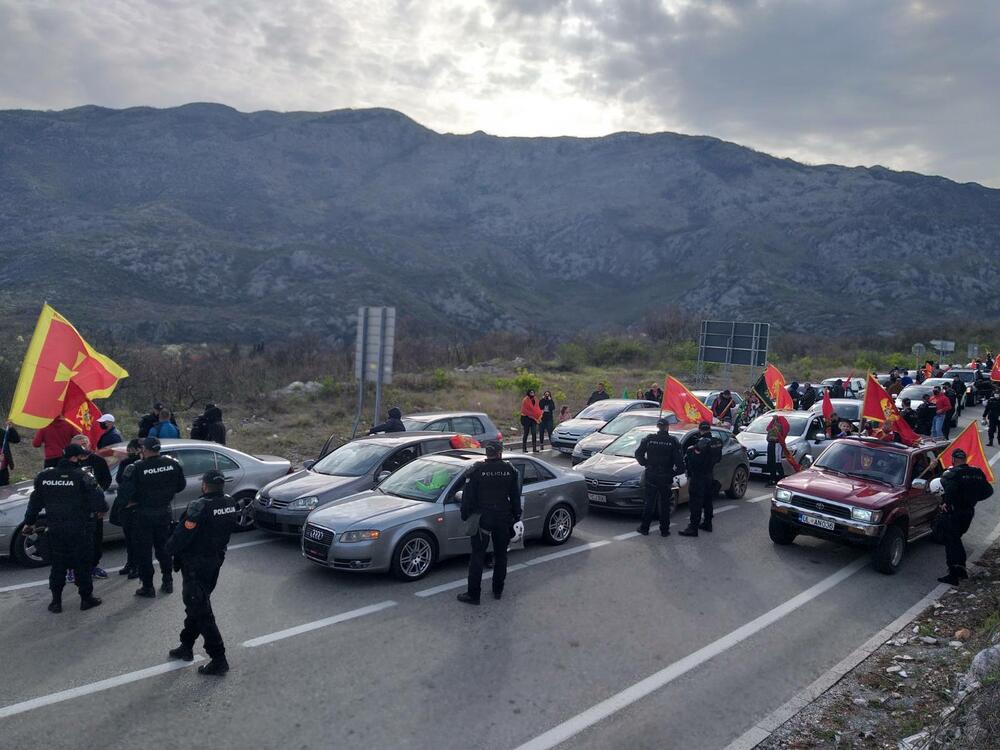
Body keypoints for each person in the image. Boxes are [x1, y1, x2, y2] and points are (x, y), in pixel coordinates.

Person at [165, 469, 241, 675]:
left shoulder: (199, 506)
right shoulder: (229, 502)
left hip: (195, 565)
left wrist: (168, 550)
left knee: (201, 611)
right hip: (214, 562)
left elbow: (182, 536)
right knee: (197, 606)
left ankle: (219, 658)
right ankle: (186, 645)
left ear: (205, 485)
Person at [21, 445, 106, 613]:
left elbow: (35, 503)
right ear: (77, 458)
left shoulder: (45, 476)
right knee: (82, 565)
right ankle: (86, 599)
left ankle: (56, 602)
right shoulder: (83, 476)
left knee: (58, 566)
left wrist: (29, 522)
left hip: (55, 529)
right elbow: (100, 503)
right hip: (79, 529)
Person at [120, 437, 187, 597]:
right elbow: (181, 486)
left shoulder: (136, 467)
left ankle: (148, 587)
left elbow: (124, 493)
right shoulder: (172, 464)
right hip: (164, 512)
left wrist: (131, 502)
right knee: (163, 549)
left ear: (146, 450)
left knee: (143, 552)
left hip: (142, 515)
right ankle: (167, 581)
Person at [458, 442, 521, 605]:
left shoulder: (476, 470)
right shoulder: (510, 470)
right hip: (503, 518)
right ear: (500, 452)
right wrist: (516, 517)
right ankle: (498, 590)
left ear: (487, 453)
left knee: (477, 556)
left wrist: (465, 515)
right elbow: (515, 496)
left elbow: (467, 498)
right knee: (501, 556)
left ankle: (473, 595)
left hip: (483, 519)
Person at [935, 449, 993, 585]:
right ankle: (961, 571)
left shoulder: (953, 474)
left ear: (953, 460)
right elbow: (988, 491)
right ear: (965, 459)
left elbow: (949, 491)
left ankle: (954, 575)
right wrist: (973, 499)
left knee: (951, 542)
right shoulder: (977, 473)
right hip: (968, 512)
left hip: (954, 512)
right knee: (956, 539)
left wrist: (946, 504)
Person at [70, 434, 113, 580]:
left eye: (84, 443)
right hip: (75, 509)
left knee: (95, 539)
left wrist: (98, 491)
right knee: (74, 541)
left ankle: (93, 566)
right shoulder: (67, 462)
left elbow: (107, 479)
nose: (82, 447)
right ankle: (72, 569)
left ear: (89, 445)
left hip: (94, 508)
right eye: (78, 444)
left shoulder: (98, 461)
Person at [634, 418, 685, 536]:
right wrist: (674, 473)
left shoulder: (649, 439)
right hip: (665, 476)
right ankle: (664, 530)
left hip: (651, 474)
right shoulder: (672, 441)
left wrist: (646, 464)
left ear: (658, 427)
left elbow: (638, 454)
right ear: (667, 427)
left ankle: (644, 528)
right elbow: (680, 463)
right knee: (665, 504)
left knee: (649, 503)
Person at [680, 425, 722, 537]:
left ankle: (693, 528)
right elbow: (718, 459)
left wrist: (690, 453)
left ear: (700, 430)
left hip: (699, 476)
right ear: (709, 429)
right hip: (710, 475)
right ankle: (707, 524)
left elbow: (695, 461)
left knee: (695, 503)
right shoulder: (716, 442)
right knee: (708, 501)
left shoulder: (701, 443)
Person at [111, 438, 143, 579]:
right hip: (131, 504)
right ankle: (131, 564)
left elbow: (120, 480)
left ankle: (135, 566)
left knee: (135, 539)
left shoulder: (135, 464)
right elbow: (119, 479)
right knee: (131, 539)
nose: (129, 452)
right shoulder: (129, 463)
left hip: (134, 505)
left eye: (131, 450)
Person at [1, 420, 22, 487]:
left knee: (4, 492)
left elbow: (16, 439)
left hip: (3, 471)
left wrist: (11, 428)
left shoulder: (1, 433)